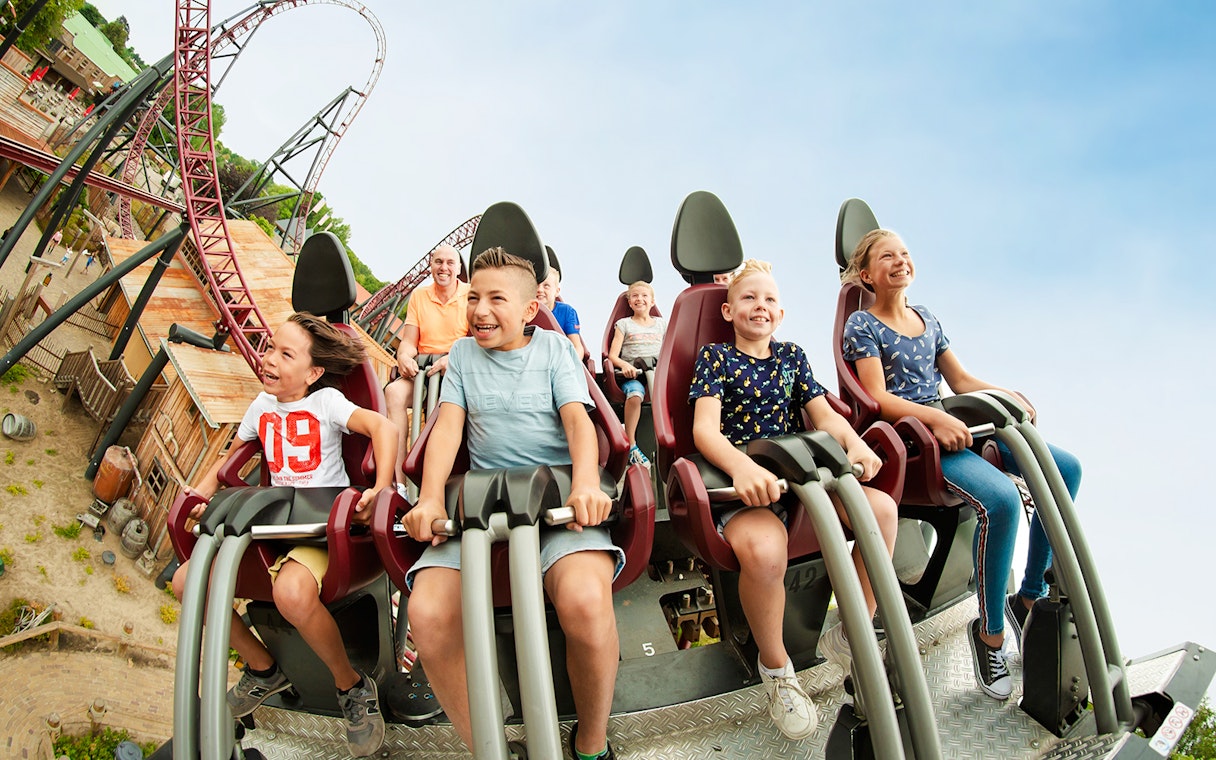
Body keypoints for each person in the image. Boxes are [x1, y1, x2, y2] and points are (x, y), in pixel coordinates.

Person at [840, 229, 1082, 701]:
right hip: (914, 442)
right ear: (866, 275)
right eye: (887, 256)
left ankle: (1028, 596)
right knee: (1002, 502)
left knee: (1065, 469)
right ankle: (990, 635)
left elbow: (961, 380)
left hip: (952, 423)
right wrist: (934, 419)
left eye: (904, 253)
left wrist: (1006, 395)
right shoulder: (862, 325)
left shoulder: (926, 317)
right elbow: (877, 398)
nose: (900, 261)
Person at [402, 248, 622, 760]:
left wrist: (585, 484)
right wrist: (430, 497)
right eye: (473, 297)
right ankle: (489, 748)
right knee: (427, 614)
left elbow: (578, 423)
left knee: (586, 604)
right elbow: (447, 428)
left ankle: (590, 744)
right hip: (487, 503)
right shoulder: (462, 355)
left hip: (555, 501)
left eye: (496, 299)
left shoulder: (554, 349)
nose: (479, 310)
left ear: (529, 310)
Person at [171, 312, 396, 757]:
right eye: (270, 347)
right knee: (185, 582)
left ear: (312, 373)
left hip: (320, 528)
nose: (269, 358)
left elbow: (382, 427)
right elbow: (230, 459)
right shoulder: (261, 406)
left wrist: (381, 487)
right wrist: (199, 495)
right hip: (275, 523)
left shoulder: (326, 401)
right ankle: (263, 668)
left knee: (291, 594)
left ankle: (351, 686)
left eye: (285, 354)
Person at [690, 259, 898, 740]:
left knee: (882, 512)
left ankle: (853, 631)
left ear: (780, 314)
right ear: (728, 310)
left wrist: (855, 444)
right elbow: (705, 430)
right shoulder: (715, 358)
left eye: (769, 299)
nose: (759, 306)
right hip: (746, 487)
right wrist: (742, 467)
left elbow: (824, 416)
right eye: (748, 298)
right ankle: (777, 669)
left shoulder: (791, 357)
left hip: (801, 480)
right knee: (766, 554)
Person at [384, 243, 469, 485]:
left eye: (450, 263)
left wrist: (453, 358)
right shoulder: (419, 296)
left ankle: (440, 482)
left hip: (455, 370)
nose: (444, 268)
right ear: (431, 266)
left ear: (458, 268)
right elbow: (409, 341)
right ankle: (399, 483)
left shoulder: (470, 294)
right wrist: (404, 357)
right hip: (425, 370)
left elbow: (476, 340)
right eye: (438, 262)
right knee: (393, 392)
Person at [606, 281, 666, 467]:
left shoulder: (662, 324)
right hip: (633, 374)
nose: (640, 299)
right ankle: (632, 445)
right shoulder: (624, 324)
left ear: (652, 301)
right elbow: (612, 355)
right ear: (630, 302)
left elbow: (670, 348)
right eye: (635, 296)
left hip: (657, 372)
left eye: (644, 295)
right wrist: (624, 365)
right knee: (635, 394)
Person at [537, 265, 587, 359]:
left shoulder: (567, 312)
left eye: (546, 286)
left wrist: (571, 363)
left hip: (560, 359)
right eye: (536, 284)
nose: (539, 289)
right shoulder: (523, 311)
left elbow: (577, 346)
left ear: (557, 291)